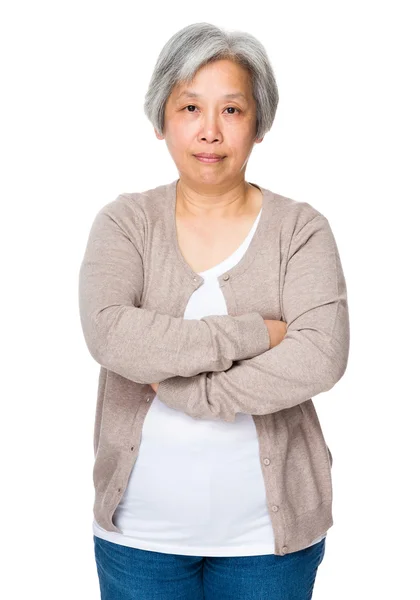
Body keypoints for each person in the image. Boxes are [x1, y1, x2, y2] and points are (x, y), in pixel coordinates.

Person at [79, 21, 350, 600]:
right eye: (189, 107)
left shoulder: (300, 230)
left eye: (231, 110)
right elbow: (110, 334)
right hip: (139, 538)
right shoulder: (126, 223)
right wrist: (254, 333)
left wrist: (183, 388)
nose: (209, 131)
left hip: (267, 547)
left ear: (258, 125)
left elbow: (320, 356)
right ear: (162, 119)